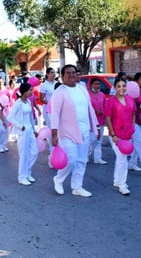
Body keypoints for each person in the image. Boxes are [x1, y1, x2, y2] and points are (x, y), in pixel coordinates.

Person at [51, 64, 99, 197]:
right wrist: (54, 135)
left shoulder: (82, 89)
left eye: (74, 72)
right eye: (68, 73)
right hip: (67, 132)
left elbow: (90, 109)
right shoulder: (59, 92)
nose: (72, 75)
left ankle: (77, 187)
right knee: (71, 159)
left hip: (84, 130)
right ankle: (58, 179)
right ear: (62, 76)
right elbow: (54, 115)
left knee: (82, 160)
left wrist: (96, 126)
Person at [104, 78, 136, 195]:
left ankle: (117, 180)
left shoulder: (130, 99)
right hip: (116, 135)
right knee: (123, 160)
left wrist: (132, 126)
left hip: (128, 134)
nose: (121, 88)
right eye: (119, 86)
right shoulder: (110, 101)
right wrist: (113, 134)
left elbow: (133, 113)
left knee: (121, 159)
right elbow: (107, 118)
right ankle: (122, 185)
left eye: (123, 86)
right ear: (114, 88)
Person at [7, 83, 39, 186]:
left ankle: (27, 172)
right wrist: (20, 126)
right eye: (30, 90)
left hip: (29, 129)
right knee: (24, 154)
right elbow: (10, 117)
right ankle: (22, 176)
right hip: (23, 131)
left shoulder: (28, 102)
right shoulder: (18, 103)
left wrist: (34, 129)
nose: (31, 92)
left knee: (34, 152)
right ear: (24, 91)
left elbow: (30, 118)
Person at [40, 67, 57, 167]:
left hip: (57, 110)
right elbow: (41, 98)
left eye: (54, 72)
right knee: (52, 132)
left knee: (58, 132)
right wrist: (51, 103)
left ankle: (58, 155)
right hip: (48, 110)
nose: (53, 74)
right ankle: (51, 158)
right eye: (51, 72)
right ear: (47, 74)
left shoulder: (57, 83)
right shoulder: (44, 85)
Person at [88, 78, 107, 165]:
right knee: (91, 139)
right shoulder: (87, 94)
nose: (97, 86)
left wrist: (104, 114)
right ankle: (85, 156)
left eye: (98, 84)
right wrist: (95, 111)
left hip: (100, 119)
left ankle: (97, 158)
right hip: (90, 120)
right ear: (91, 84)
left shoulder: (102, 94)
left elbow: (105, 106)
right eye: (95, 84)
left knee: (99, 140)